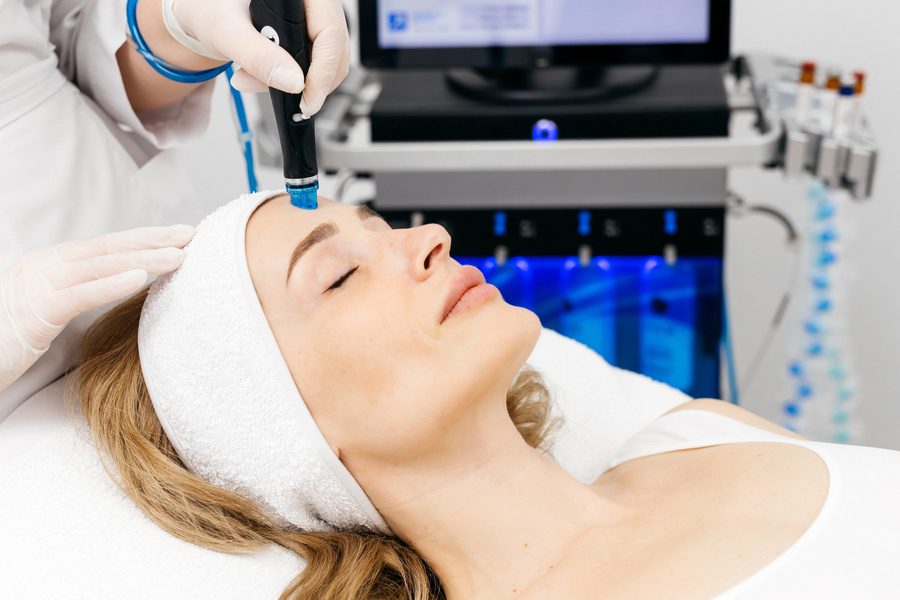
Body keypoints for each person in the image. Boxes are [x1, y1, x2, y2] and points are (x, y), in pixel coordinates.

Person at [76, 193, 900, 599]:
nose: (427, 237)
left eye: (379, 223)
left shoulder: (696, 435)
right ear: (285, 431)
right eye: (340, 274)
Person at [0, 0, 350, 414]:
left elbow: (65, 30)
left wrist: (179, 26)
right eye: (341, 277)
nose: (435, 236)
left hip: (132, 240)